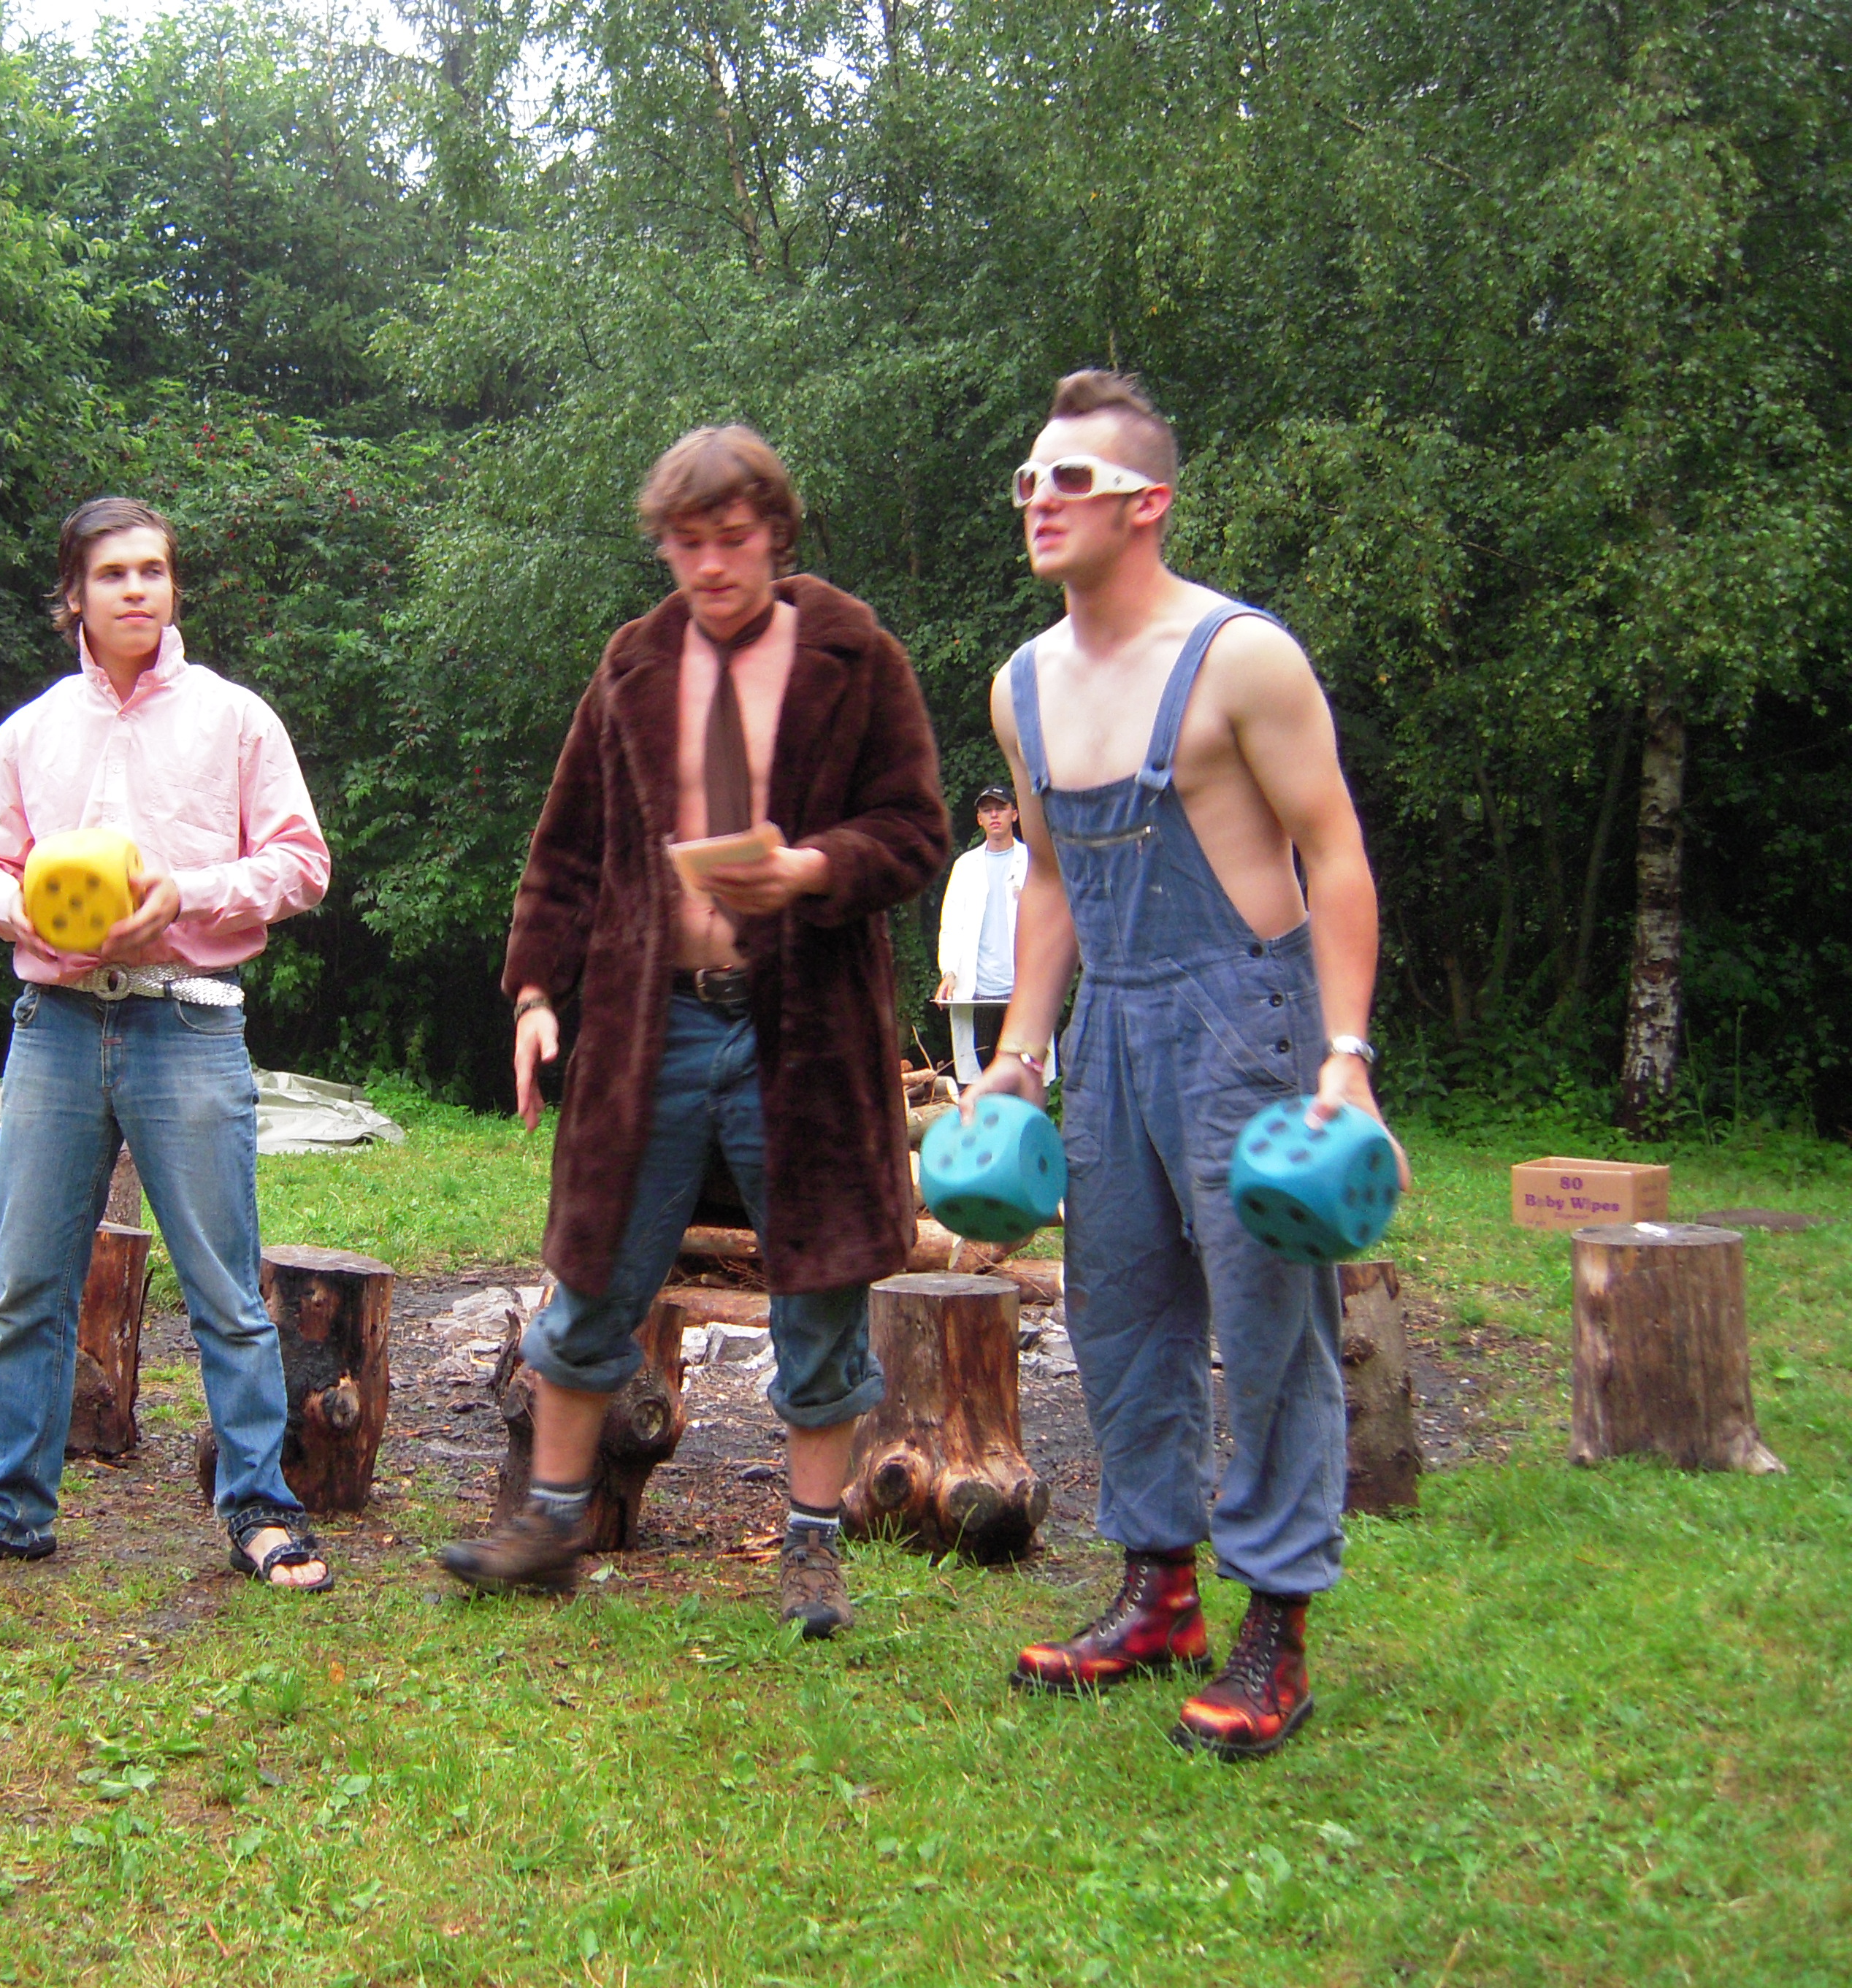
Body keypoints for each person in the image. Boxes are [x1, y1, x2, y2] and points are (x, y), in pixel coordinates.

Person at [436, 427, 949, 1637]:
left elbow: (914, 829)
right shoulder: (632, 665)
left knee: (819, 1288)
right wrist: (534, 994)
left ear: (775, 532)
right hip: (648, 1026)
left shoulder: (854, 655)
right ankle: (551, 1525)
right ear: (662, 545)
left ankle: (812, 1554)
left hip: (804, 1030)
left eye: (732, 539)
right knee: (594, 1274)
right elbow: (566, 848)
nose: (711, 565)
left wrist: (812, 867)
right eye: (686, 543)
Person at [968, 370, 1405, 1759]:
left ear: (1147, 502)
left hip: (1243, 1018)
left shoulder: (1240, 658)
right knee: (1119, 1312)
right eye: (1028, 479)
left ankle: (1277, 1619)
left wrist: (1345, 1057)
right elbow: (1048, 881)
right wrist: (1020, 1053)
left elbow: (1334, 855)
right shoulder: (1021, 687)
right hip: (1107, 1025)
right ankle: (1158, 1592)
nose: (1040, 500)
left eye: (1071, 480)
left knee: (1268, 1323)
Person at [0, 497, 338, 1592]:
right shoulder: (32, 731)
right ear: (73, 597)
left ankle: (261, 1511)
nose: (137, 589)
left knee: (224, 1291)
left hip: (188, 1016)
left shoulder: (235, 720)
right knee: (31, 1283)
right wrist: (26, 917)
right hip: (56, 1026)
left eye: (154, 570)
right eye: (113, 574)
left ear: (172, 587)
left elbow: (301, 864)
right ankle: (7, 1506)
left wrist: (187, 891)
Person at [935, 784, 1047, 1080]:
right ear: (979, 819)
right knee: (982, 1068)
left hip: (1022, 989)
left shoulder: (1033, 861)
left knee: (1025, 1071)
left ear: (1015, 814)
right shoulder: (965, 866)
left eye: (1000, 808)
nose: (994, 815)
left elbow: (1049, 921)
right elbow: (951, 924)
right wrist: (949, 972)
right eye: (987, 810)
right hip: (980, 992)